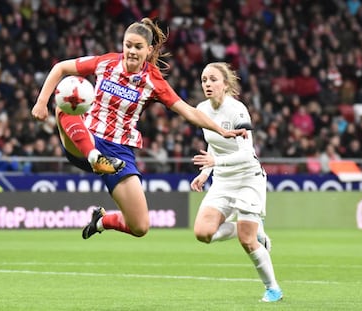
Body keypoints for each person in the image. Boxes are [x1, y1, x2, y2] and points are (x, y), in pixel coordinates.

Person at [31, 18, 246, 239]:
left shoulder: (153, 81)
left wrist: (221, 130)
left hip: (118, 152)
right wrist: (41, 101)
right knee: (67, 102)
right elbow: (61, 68)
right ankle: (94, 157)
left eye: (138, 47)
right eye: (128, 45)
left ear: (149, 49)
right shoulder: (106, 63)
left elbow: (188, 111)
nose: (131, 51)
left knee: (140, 226)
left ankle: (102, 221)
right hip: (85, 138)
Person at [190, 62, 283, 302]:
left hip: (247, 178)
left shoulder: (237, 110)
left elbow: (246, 152)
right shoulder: (201, 109)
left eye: (212, 80)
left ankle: (273, 289)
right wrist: (205, 173)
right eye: (204, 80)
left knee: (247, 240)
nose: (207, 84)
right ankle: (254, 227)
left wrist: (215, 162)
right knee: (202, 233)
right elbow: (214, 141)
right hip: (222, 180)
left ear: (225, 84)